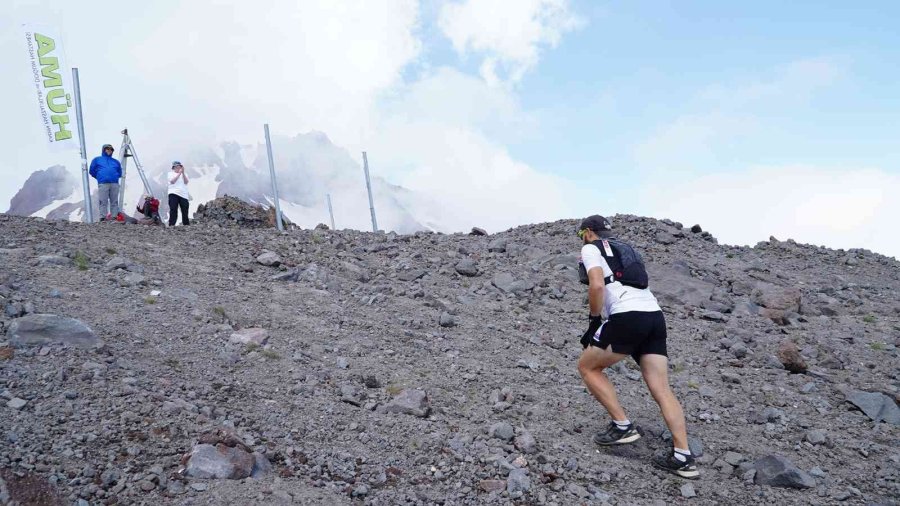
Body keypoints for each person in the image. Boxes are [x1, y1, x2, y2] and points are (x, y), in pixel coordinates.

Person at [575, 215, 698, 479]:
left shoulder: (590, 248)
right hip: (654, 316)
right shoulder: (624, 249)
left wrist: (594, 321)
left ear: (587, 232)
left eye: (580, 235)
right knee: (662, 388)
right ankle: (683, 456)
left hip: (626, 315)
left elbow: (596, 284)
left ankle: (623, 426)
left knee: (587, 367)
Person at [89, 144, 123, 221]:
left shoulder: (116, 161)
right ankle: (103, 217)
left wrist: (115, 176)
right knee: (103, 201)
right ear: (104, 150)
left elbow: (120, 172)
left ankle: (114, 217)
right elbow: (91, 170)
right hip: (103, 183)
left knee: (114, 201)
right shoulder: (97, 160)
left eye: (111, 149)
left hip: (114, 183)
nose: (109, 150)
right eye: (107, 149)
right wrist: (99, 177)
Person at [167, 161, 191, 226]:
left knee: (185, 210)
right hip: (173, 193)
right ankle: (172, 224)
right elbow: (172, 181)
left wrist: (183, 173)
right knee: (173, 209)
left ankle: (186, 224)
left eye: (179, 167)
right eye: (176, 167)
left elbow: (186, 182)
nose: (178, 168)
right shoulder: (170, 174)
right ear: (173, 168)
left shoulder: (185, 174)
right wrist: (179, 174)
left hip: (183, 195)